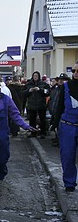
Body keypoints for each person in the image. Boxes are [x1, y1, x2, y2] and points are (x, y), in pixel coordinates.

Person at [0, 76, 36, 185]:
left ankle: (1, 172)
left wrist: (25, 126)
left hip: (2, 132)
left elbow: (15, 114)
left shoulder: (5, 99)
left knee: (2, 157)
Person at [53, 63, 78, 191]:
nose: (75, 73)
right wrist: (54, 123)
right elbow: (59, 106)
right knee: (67, 156)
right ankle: (69, 183)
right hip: (68, 126)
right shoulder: (66, 87)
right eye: (73, 71)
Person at [23, 71, 50, 138]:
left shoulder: (43, 84)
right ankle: (33, 132)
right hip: (31, 105)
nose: (35, 77)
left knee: (42, 119)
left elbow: (48, 92)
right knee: (32, 120)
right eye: (34, 76)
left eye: (36, 76)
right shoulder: (28, 84)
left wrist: (40, 90)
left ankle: (43, 133)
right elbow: (23, 93)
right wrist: (29, 91)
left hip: (41, 105)